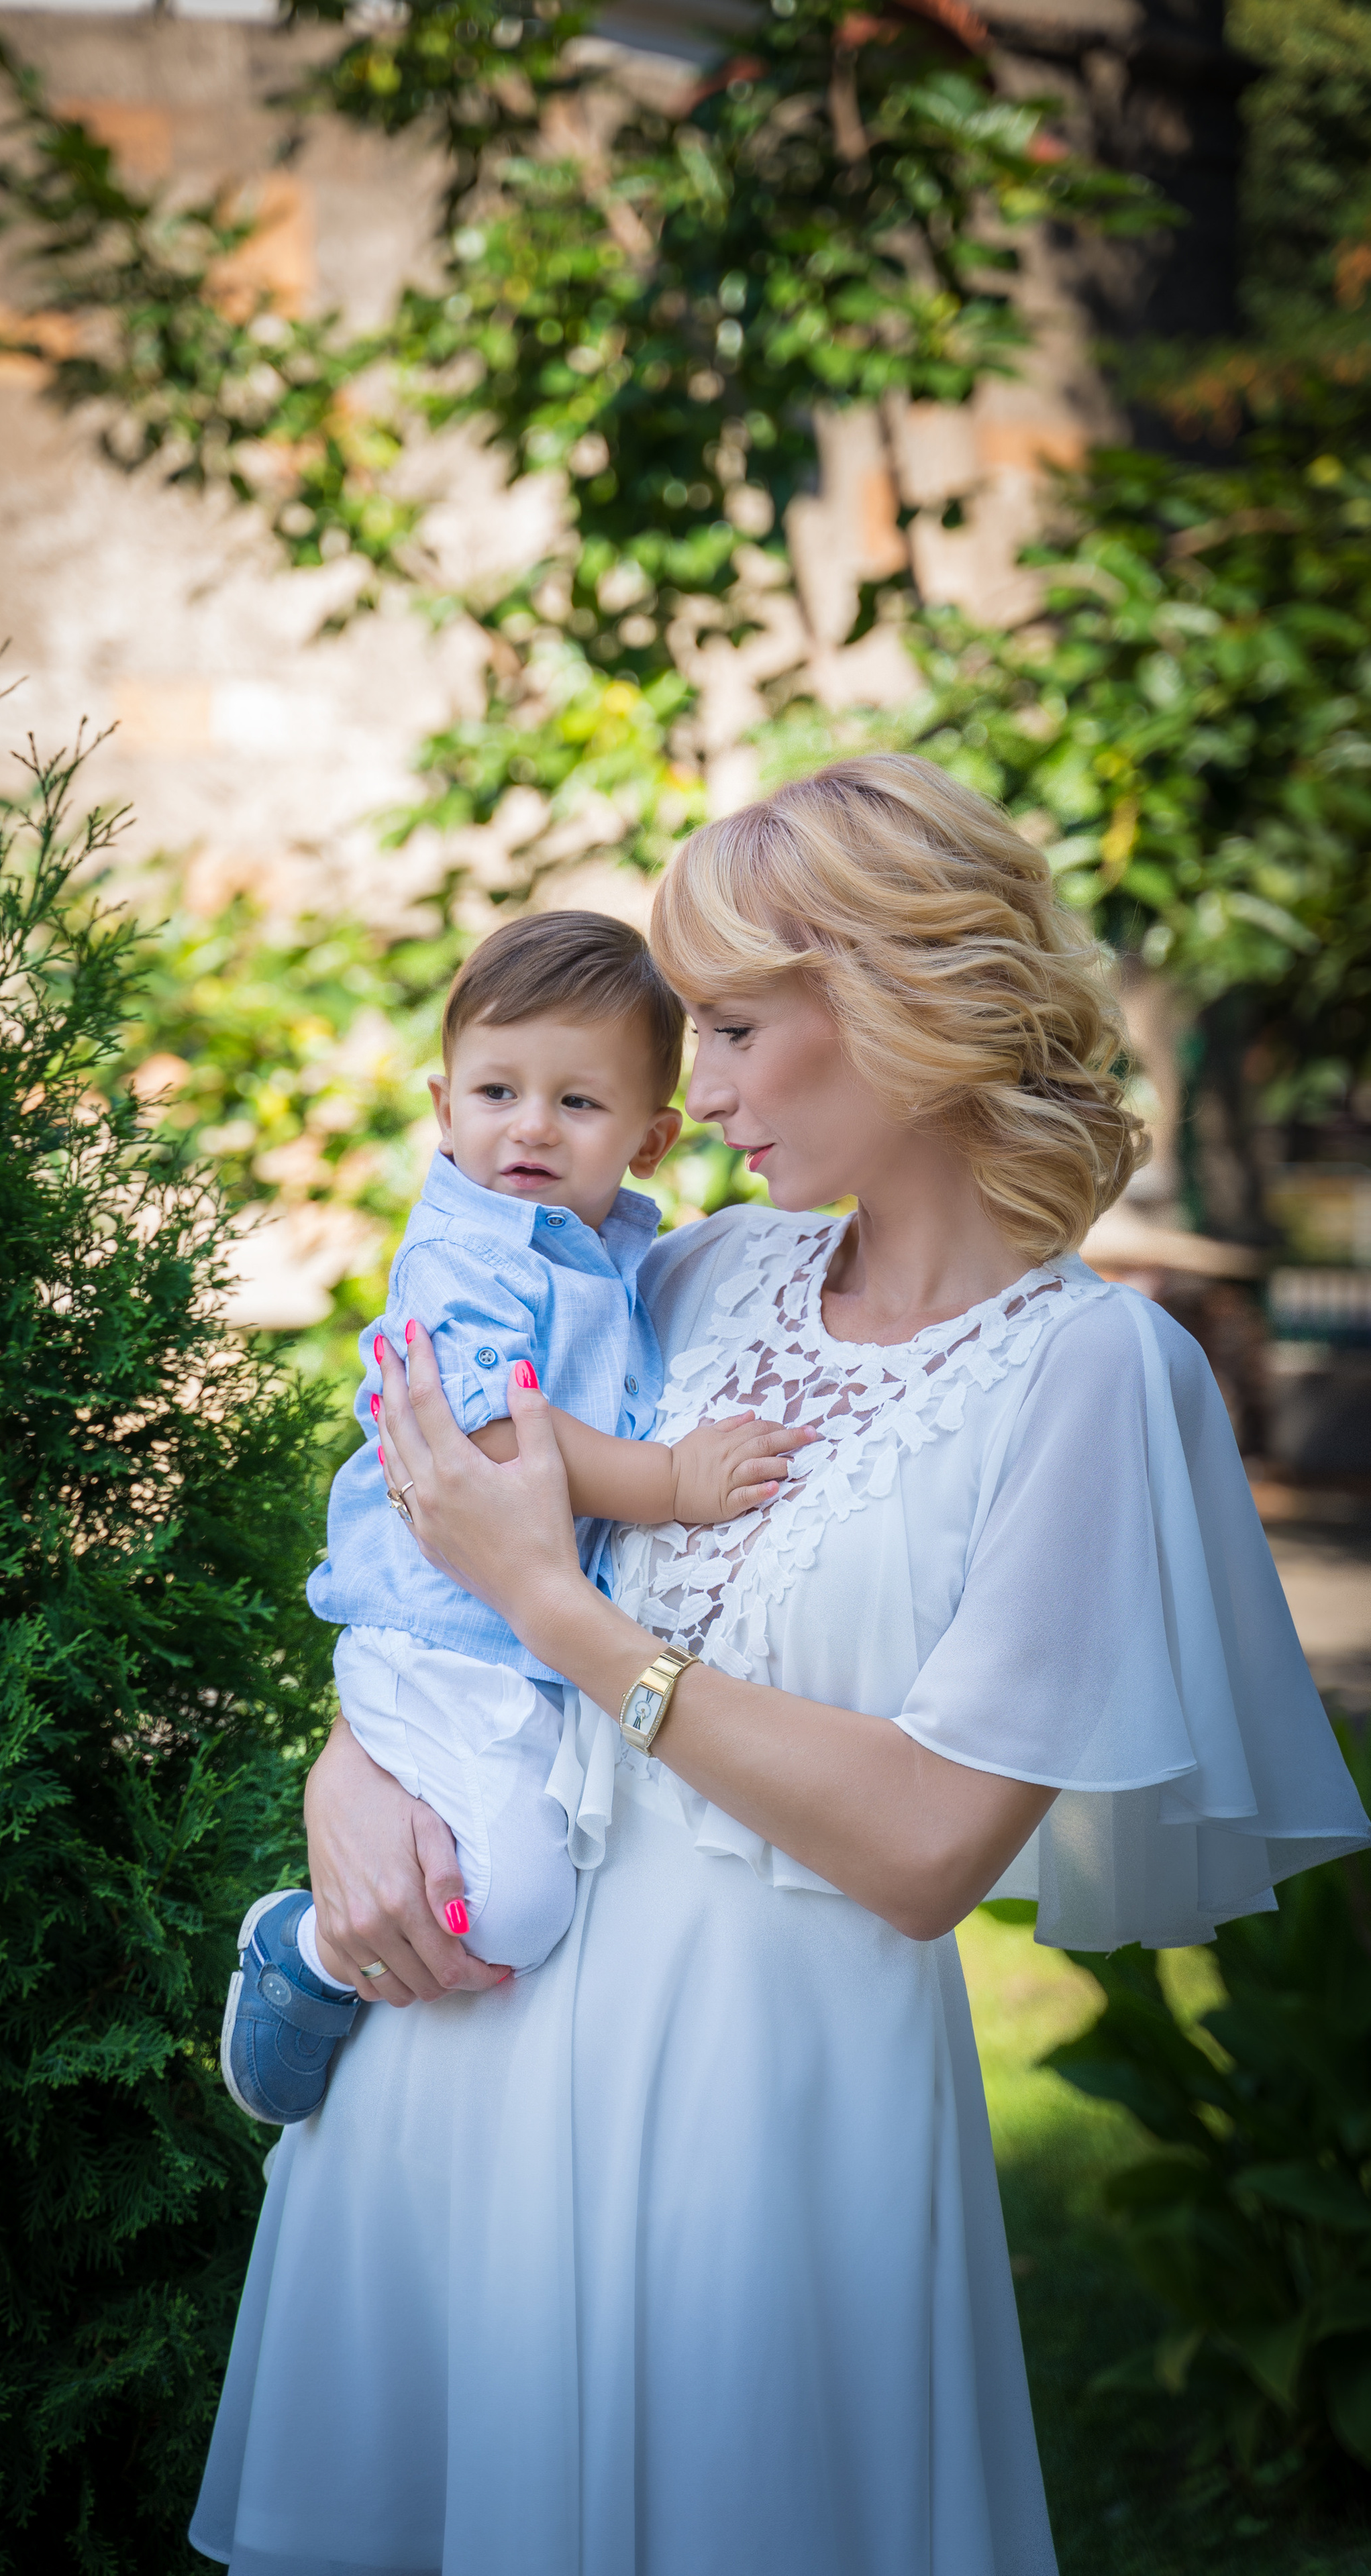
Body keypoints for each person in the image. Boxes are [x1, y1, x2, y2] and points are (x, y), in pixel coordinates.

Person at [192, 755, 1370, 2576]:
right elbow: (435, 1575)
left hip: (761, 2115)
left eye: (736, 1030)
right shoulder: (692, 1274)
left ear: (902, 999)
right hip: (465, 2053)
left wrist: (586, 1631)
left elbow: (924, 1852)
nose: (698, 1093)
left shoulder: (1090, 1378)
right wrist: (345, 1775)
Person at [224, 912, 807, 2125]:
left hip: (510, 1645)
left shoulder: (618, 1256)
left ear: (649, 1139)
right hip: (444, 1634)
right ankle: (305, 1959)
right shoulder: (467, 1255)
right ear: (445, 1108)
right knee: (521, 1907)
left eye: (579, 1106)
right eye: (498, 1090)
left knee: (511, 1869)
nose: (532, 1126)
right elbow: (498, 1435)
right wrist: (678, 1482)